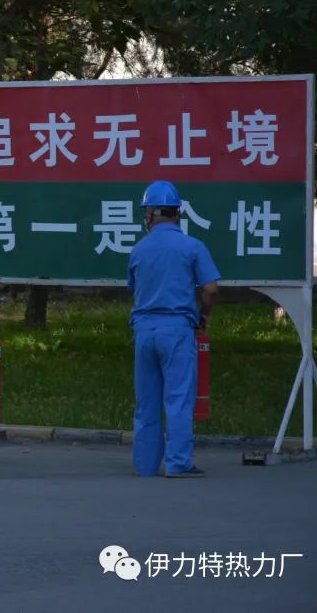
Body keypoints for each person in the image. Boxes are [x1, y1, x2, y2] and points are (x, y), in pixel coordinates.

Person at [127, 180, 220, 478]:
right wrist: (204, 315)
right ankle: (178, 463)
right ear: (177, 213)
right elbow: (211, 287)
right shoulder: (193, 246)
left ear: (150, 214)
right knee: (178, 398)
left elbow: (134, 289)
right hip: (177, 329)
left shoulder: (139, 249)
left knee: (147, 401)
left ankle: (145, 465)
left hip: (144, 330)